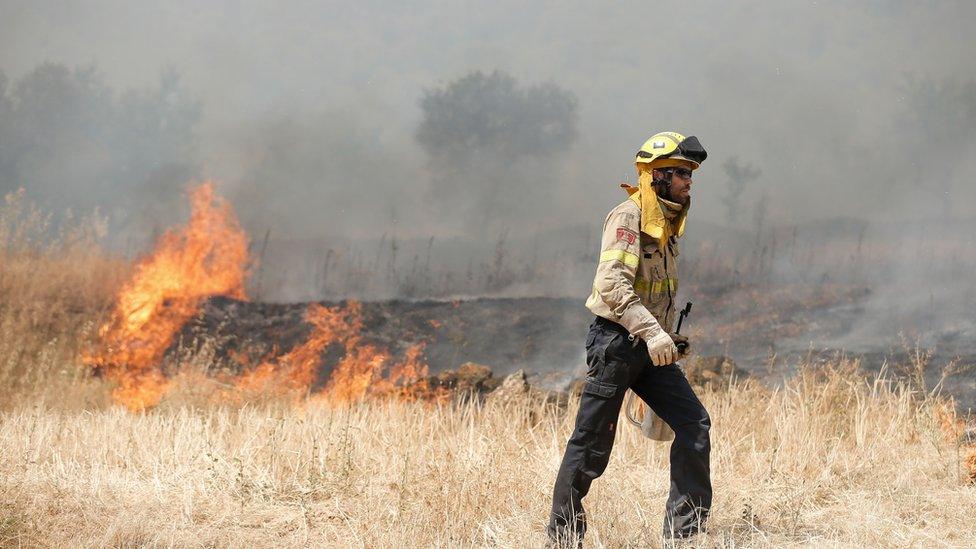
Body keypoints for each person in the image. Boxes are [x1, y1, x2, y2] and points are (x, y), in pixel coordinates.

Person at [548, 131, 712, 545]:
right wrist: (652, 332)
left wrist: (668, 337)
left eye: (690, 173)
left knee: (694, 426)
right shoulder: (628, 217)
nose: (689, 180)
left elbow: (652, 291)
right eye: (681, 173)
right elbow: (612, 283)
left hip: (652, 348)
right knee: (591, 445)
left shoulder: (666, 225)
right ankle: (563, 537)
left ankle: (684, 537)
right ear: (656, 176)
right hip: (616, 345)